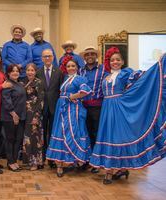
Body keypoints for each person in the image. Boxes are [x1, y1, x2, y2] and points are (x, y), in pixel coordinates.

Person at [89, 47, 166, 184]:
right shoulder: (106, 77)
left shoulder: (126, 73)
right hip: (106, 110)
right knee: (108, 137)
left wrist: (159, 64)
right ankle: (120, 169)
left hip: (119, 109)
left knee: (118, 138)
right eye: (112, 60)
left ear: (122, 61)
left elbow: (144, 79)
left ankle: (110, 172)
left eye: (118, 60)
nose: (115, 62)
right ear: (109, 62)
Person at [46, 56, 92, 177]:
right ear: (65, 68)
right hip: (62, 108)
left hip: (72, 109)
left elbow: (86, 91)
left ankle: (75, 159)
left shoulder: (80, 78)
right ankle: (60, 164)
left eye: (73, 66)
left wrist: (72, 97)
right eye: (68, 66)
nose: (70, 68)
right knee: (60, 132)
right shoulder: (66, 78)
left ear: (77, 67)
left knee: (73, 132)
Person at [78, 46, 108, 173]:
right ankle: (87, 160)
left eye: (92, 54)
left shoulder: (103, 70)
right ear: (84, 57)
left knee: (96, 133)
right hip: (82, 106)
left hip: (97, 106)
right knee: (85, 133)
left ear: (96, 56)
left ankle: (96, 163)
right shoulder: (80, 71)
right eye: (87, 54)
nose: (90, 56)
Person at [36, 49, 63, 168]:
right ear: (42, 58)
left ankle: (52, 157)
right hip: (41, 107)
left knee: (52, 133)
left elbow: (61, 90)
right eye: (45, 56)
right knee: (42, 133)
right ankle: (42, 157)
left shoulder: (59, 72)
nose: (47, 58)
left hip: (54, 107)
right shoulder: (38, 72)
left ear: (53, 57)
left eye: (49, 56)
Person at [1, 64, 27, 172]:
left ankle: (15, 161)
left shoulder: (20, 84)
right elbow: (6, 100)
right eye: (13, 71)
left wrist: (19, 116)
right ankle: (10, 162)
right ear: (8, 73)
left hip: (21, 116)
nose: (15, 73)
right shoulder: (7, 84)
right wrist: (13, 114)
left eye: (17, 71)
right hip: (10, 117)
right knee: (10, 139)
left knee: (18, 140)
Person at [21, 63, 44, 171]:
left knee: (35, 138)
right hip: (25, 113)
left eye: (32, 70)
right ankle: (28, 161)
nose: (30, 72)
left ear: (35, 72)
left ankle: (36, 162)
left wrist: (37, 115)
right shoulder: (23, 82)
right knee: (27, 138)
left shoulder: (39, 82)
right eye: (28, 70)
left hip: (34, 114)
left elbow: (40, 101)